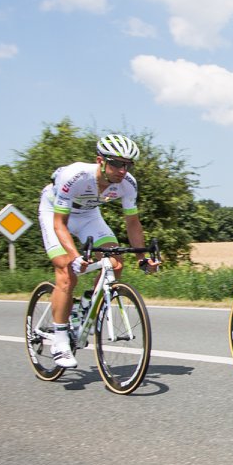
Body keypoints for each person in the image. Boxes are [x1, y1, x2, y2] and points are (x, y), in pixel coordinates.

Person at [32, 135, 160, 379]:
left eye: (127, 165)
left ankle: (83, 311)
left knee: (115, 261)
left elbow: (133, 223)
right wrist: (74, 255)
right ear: (100, 161)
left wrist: (142, 258)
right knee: (67, 272)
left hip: (89, 215)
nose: (122, 170)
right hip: (55, 214)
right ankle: (59, 339)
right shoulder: (75, 176)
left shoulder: (128, 184)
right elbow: (60, 223)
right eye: (116, 164)